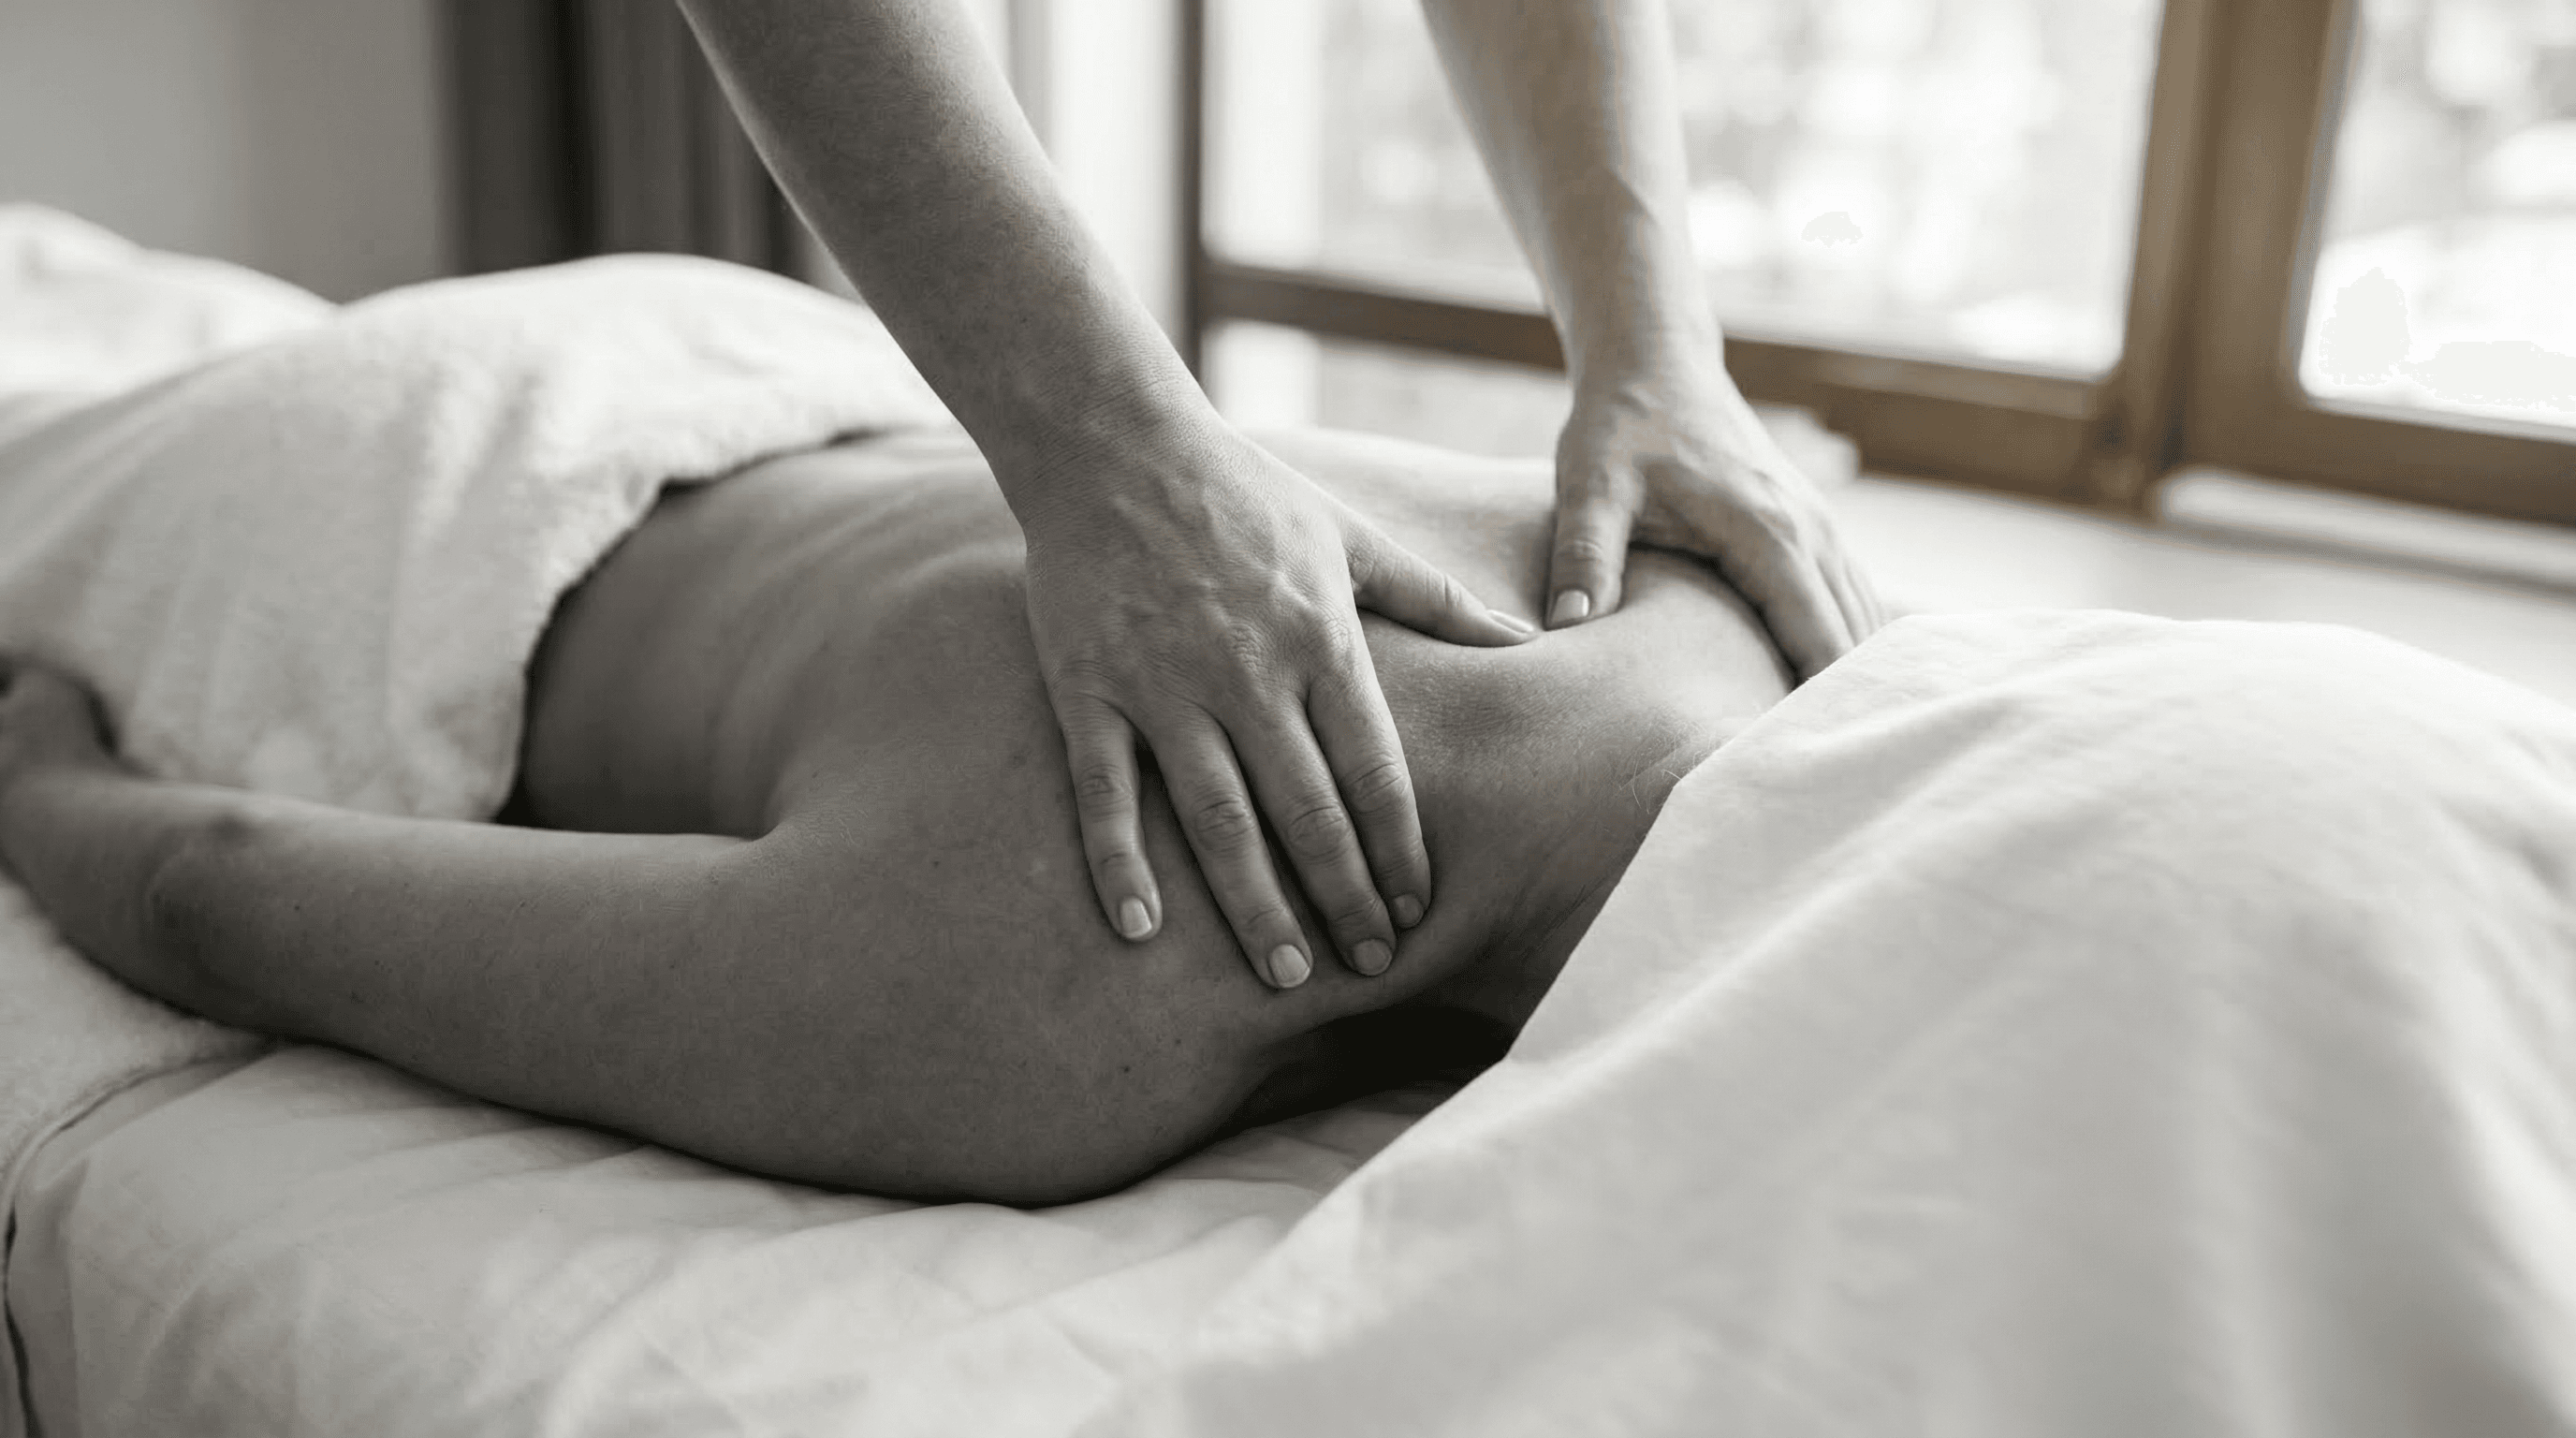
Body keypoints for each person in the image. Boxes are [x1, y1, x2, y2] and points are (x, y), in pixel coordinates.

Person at [0, 421, 1791, 1205]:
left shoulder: (1723, 598)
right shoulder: (1062, 990)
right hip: (391, 498)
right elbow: (209, 893)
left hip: (763, 346)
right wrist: (41, 769)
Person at [670, 0, 1881, 990]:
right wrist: (1118, 456)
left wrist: (1656, 349)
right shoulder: (1080, 950)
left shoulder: (1730, 619)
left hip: (727, 358)